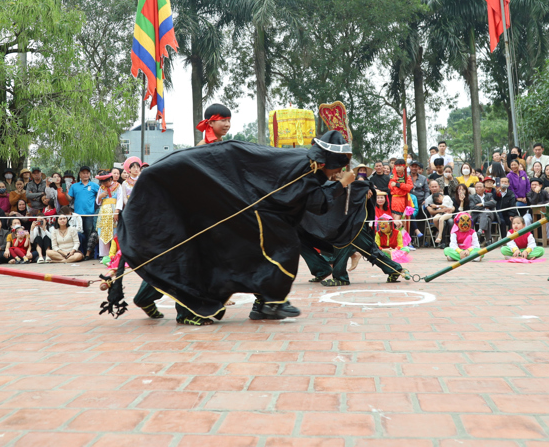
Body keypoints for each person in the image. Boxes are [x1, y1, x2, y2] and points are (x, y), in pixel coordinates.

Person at [115, 130, 364, 324]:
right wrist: (342, 184)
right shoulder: (306, 169)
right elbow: (317, 203)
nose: (340, 171)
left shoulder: (303, 164)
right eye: (339, 166)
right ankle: (266, 303)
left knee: (230, 252)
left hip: (241, 208)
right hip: (231, 209)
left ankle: (267, 302)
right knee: (265, 250)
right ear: (328, 160)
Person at [68, 166, 100, 258]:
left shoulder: (94, 185)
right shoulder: (74, 186)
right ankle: (79, 252)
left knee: (89, 233)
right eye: (83, 173)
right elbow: (69, 199)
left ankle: (88, 253)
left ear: (89, 174)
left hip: (90, 214)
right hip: (77, 215)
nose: (85, 175)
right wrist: (64, 193)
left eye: (87, 173)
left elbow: (99, 198)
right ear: (80, 174)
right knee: (78, 234)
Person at [424, 181, 454, 247]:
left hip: (447, 215)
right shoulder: (428, 199)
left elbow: (452, 206)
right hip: (437, 216)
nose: (434, 188)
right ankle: (442, 241)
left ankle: (451, 240)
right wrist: (442, 210)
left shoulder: (445, 196)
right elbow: (431, 211)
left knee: (451, 221)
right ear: (429, 188)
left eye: (436, 186)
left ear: (439, 187)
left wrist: (451, 209)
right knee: (441, 221)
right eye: (432, 187)